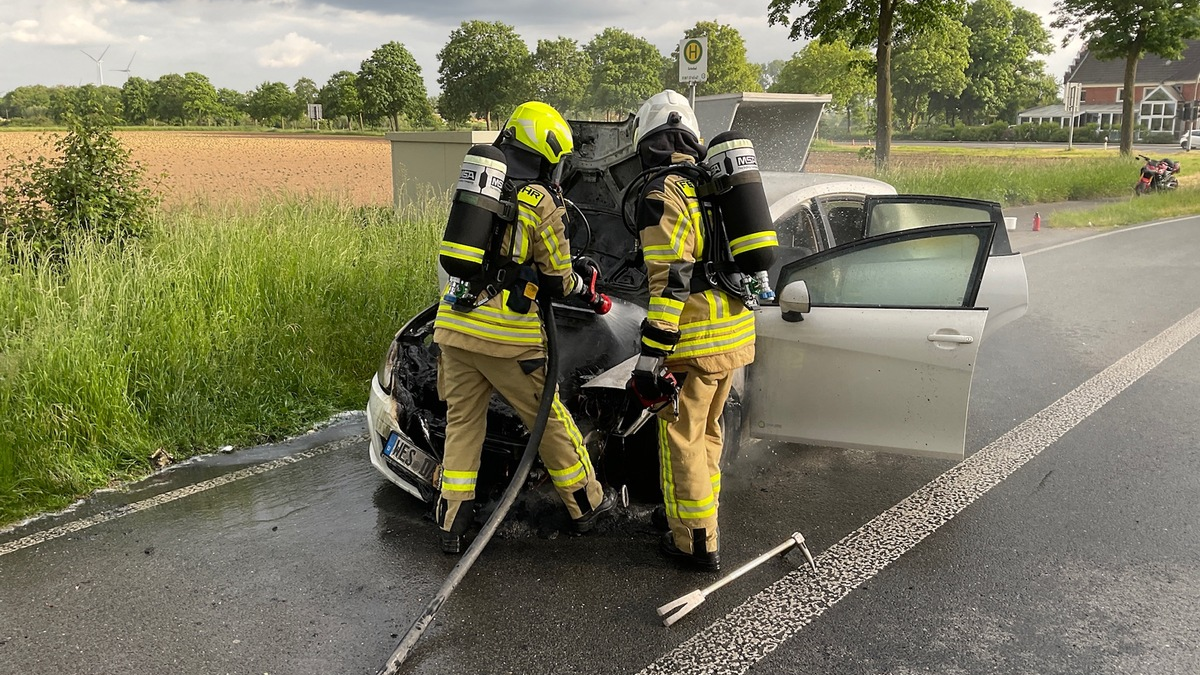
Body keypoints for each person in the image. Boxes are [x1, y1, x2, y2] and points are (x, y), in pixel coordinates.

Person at [432, 101, 614, 554]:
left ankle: (452, 524)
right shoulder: (541, 202)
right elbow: (557, 278)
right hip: (509, 343)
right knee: (550, 421)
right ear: (546, 154)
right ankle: (586, 505)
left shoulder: (481, 185)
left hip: (454, 328)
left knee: (463, 426)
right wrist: (581, 279)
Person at [626, 90, 757, 573]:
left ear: (648, 141)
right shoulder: (714, 182)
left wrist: (649, 357)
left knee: (680, 440)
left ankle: (695, 543)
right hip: (734, 335)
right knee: (709, 433)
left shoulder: (664, 192)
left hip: (695, 340)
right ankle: (700, 518)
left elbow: (669, 282)